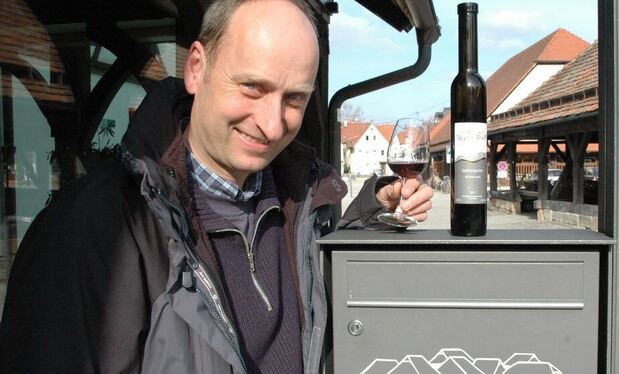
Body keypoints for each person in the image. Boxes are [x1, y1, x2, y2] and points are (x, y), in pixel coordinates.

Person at [0, 0, 433, 373]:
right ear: (196, 69)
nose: (270, 122)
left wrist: (372, 213)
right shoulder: (85, 231)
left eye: (294, 98)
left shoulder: (299, 201)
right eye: (252, 87)